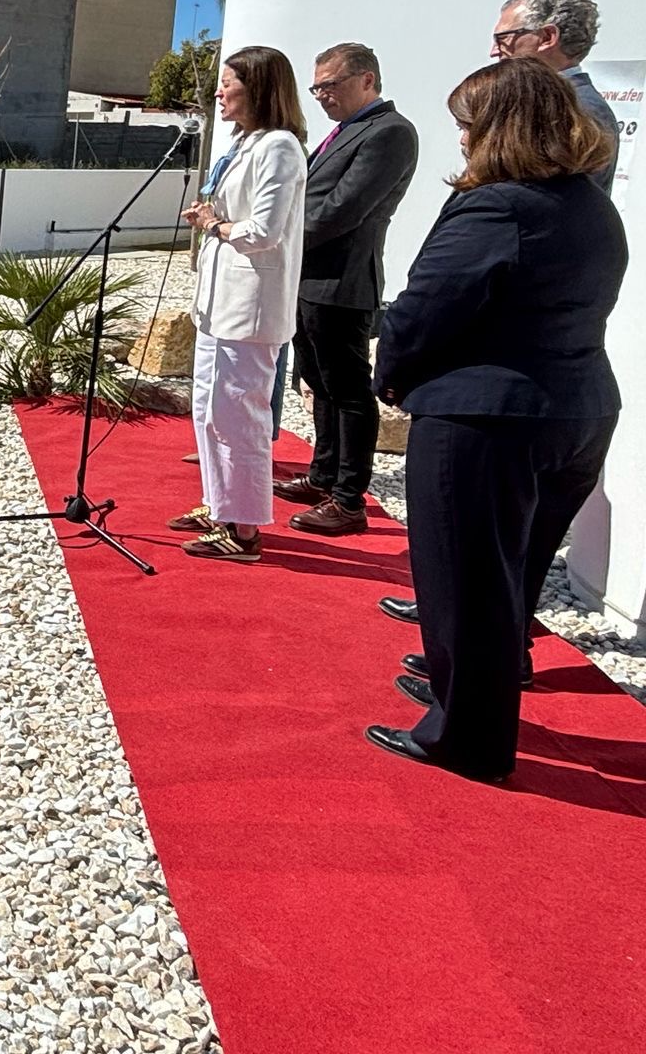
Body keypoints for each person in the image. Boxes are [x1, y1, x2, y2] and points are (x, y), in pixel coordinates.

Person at [365, 59, 625, 780]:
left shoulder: (497, 206)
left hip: (488, 417)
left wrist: (392, 377)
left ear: (499, 128)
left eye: (467, 125)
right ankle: (489, 679)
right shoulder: (590, 203)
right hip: (578, 410)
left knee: (464, 577)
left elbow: (426, 308)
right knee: (514, 569)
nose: (461, 139)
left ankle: (466, 736)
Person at [277, 42, 421, 536]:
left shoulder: (390, 132)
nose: (320, 96)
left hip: (342, 279)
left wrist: (275, 239)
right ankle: (323, 475)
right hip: (309, 276)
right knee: (319, 383)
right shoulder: (347, 129)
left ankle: (348, 498)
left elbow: (343, 209)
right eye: (316, 87)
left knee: (348, 390)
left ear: (366, 80)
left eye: (329, 85)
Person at [172, 46, 309, 562]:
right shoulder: (245, 142)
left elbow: (264, 230)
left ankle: (246, 530)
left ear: (257, 89)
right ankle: (219, 503)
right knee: (209, 411)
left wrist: (215, 224)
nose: (218, 93)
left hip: (250, 307)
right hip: (219, 304)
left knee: (240, 417)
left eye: (227, 83)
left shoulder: (279, 146)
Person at [490, 0, 619, 193]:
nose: (494, 52)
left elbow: (553, 204)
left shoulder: (579, 110)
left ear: (547, 37)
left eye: (503, 38)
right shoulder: (548, 101)